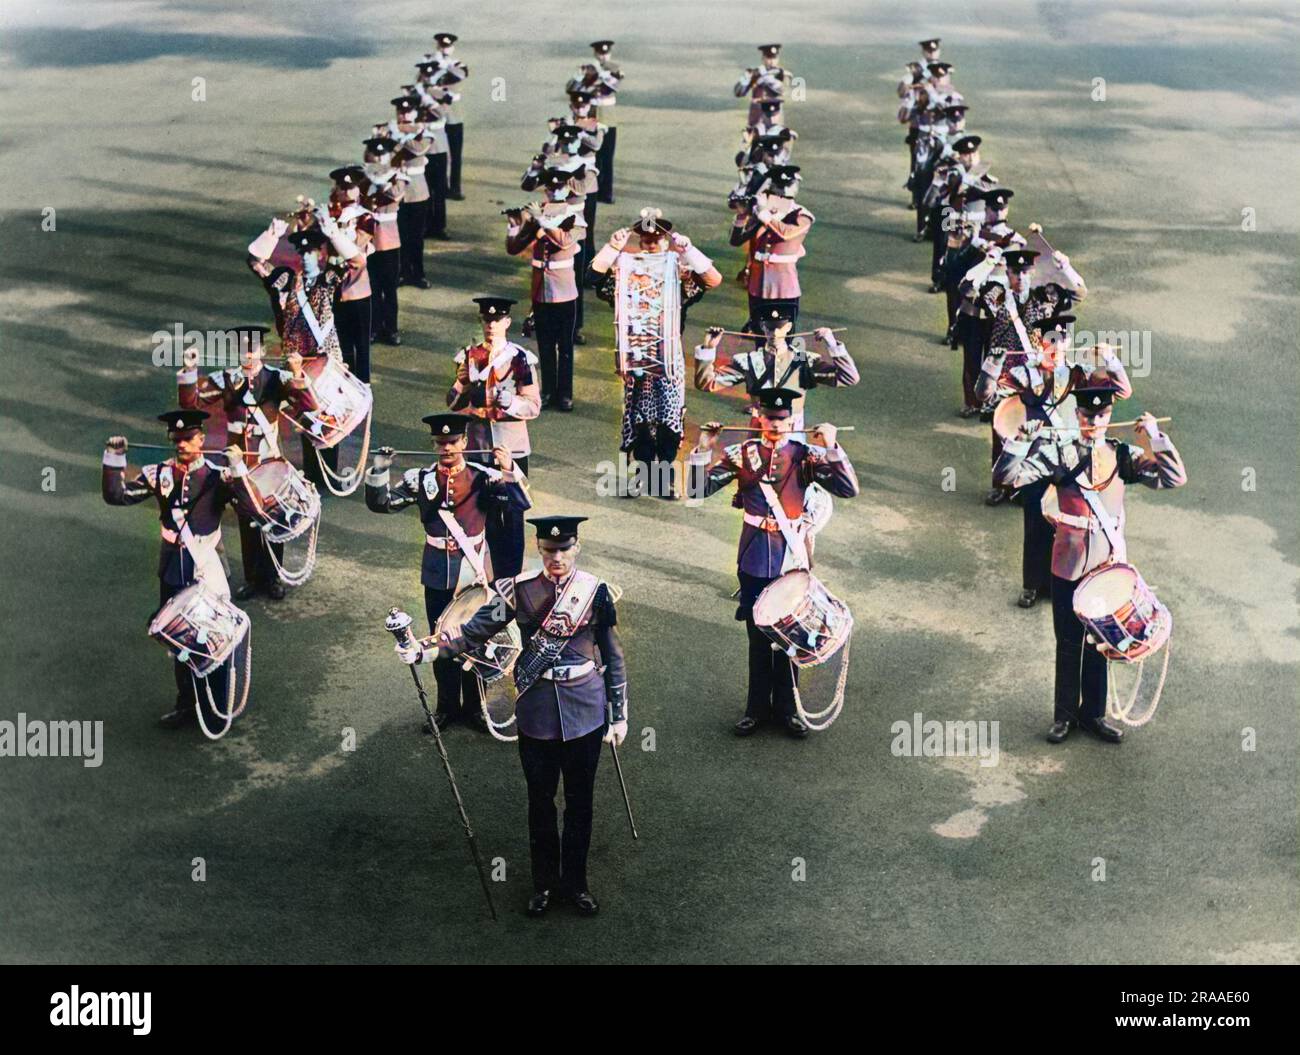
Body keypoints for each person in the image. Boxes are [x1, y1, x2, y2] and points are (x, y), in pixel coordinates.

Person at [397, 515, 627, 918]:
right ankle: (544, 886)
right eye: (550, 550)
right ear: (539, 550)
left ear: (577, 548)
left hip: (586, 712)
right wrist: (425, 650)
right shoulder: (518, 590)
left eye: (565, 549)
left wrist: (619, 714)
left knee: (580, 803)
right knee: (539, 803)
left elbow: (612, 656)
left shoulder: (595, 593)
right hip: (537, 713)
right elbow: (472, 632)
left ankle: (576, 884)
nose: (557, 557)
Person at [995, 381, 1187, 744]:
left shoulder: (1122, 455)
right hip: (1067, 565)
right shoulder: (1059, 452)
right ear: (1077, 414)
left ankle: (1094, 715)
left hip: (1104, 569)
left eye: (1101, 415)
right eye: (1087, 414)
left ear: (1109, 415)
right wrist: (1021, 439)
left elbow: (1174, 479)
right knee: (1068, 641)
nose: (1094, 421)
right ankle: (1064, 717)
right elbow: (1006, 477)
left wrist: (1156, 438)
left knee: (1100, 644)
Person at [687, 388, 860, 738]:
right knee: (757, 636)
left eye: (783, 420)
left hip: (790, 558)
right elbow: (697, 491)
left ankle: (788, 710)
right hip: (753, 557)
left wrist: (832, 447)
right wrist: (704, 447)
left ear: (793, 420)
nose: (776, 425)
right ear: (759, 417)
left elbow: (847, 488)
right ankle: (755, 709)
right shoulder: (741, 454)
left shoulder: (804, 455)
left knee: (790, 636)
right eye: (770, 418)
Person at [365, 413, 531, 731]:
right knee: (439, 639)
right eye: (441, 443)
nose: (447, 448)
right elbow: (382, 504)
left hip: (474, 573)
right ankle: (446, 707)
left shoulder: (484, 476)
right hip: (438, 571)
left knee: (474, 640)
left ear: (465, 442)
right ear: (434, 444)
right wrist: (379, 469)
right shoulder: (420, 478)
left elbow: (522, 503)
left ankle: (475, 708)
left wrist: (510, 468)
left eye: (453, 441)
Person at [101, 410, 252, 730]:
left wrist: (238, 467)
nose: (182, 445)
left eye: (189, 439)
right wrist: (114, 457)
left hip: (208, 569)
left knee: (215, 640)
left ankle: (218, 705)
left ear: (201, 439)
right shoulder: (160, 474)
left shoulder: (215, 476)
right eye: (177, 440)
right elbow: (117, 496)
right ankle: (187, 705)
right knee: (182, 643)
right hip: (173, 570)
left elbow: (251, 508)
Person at [978, 318, 1131, 608]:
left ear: (1068, 344)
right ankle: (1032, 585)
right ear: (1040, 343)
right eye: (1051, 341)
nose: (1057, 347)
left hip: (1073, 459)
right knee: (1035, 521)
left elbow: (1122, 392)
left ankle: (1063, 583)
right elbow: (985, 396)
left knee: (1070, 524)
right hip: (1038, 459)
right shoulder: (1025, 374)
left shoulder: (1080, 374)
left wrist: (1111, 360)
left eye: (1062, 341)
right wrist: (991, 366)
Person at [589, 213, 723, 497]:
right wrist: (612, 247)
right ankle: (644, 476)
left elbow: (712, 279)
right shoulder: (626, 275)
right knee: (640, 421)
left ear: (665, 242)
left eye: (656, 240)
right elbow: (591, 277)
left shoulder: (678, 275)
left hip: (668, 359)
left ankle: (664, 479)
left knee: (669, 422)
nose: (650, 245)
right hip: (636, 358)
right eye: (646, 240)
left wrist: (689, 251)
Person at [177, 327, 316, 600]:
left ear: (262, 351)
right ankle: (253, 578)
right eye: (243, 350)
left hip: (269, 463)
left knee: (273, 518)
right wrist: (189, 368)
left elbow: (309, 406)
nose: (248, 355)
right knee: (246, 520)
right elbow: (190, 404)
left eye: (253, 349)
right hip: (239, 467)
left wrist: (299, 372)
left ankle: (273, 576)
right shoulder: (226, 379)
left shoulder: (277, 378)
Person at [446, 296, 541, 578]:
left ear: (507, 322)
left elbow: (534, 406)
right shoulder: (469, 356)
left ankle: (510, 582)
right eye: (487, 320)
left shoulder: (520, 359)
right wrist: (462, 385)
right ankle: (480, 581)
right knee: (477, 516)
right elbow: (452, 403)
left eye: (497, 320)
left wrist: (511, 402)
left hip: (511, 449)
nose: (491, 325)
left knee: (512, 517)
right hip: (477, 448)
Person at [694, 306, 858, 429]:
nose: (775, 333)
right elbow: (707, 384)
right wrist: (709, 347)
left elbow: (848, 378)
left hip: (793, 431)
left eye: (780, 328)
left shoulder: (802, 360)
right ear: (763, 327)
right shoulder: (749, 361)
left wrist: (832, 343)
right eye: (770, 328)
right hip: (760, 429)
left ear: (788, 328)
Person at [505, 170, 583, 410]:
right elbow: (515, 248)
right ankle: (548, 391)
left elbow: (565, 242)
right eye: (549, 188)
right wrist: (514, 226)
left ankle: (566, 394)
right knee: (546, 345)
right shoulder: (536, 212)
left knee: (566, 347)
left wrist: (543, 221)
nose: (553, 191)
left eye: (557, 188)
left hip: (565, 289)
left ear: (567, 190)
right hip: (541, 289)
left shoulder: (574, 214)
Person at [729, 165, 813, 333]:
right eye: (777, 186)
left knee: (784, 335)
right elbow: (736, 240)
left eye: (784, 187)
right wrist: (742, 216)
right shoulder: (762, 212)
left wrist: (764, 214)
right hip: (758, 285)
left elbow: (786, 234)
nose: (779, 191)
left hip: (784, 286)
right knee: (759, 334)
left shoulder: (801, 215)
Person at [327, 166, 377, 381]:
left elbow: (356, 248)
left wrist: (336, 231)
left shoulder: (365, 217)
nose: (346, 192)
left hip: (356, 288)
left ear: (358, 190)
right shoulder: (328, 215)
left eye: (351, 187)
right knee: (341, 344)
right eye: (342, 187)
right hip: (333, 289)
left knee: (361, 346)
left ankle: (363, 386)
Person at [359, 136, 406, 346]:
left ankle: (392, 328)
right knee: (372, 287)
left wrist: (382, 181)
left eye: (382, 154)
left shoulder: (397, 175)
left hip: (388, 241)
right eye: (374, 153)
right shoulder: (363, 177)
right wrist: (369, 179)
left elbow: (397, 195)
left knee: (390, 288)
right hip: (368, 240)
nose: (378, 158)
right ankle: (374, 327)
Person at [735, 44, 788, 126]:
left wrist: (766, 78)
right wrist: (746, 79)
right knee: (749, 137)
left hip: (775, 118)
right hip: (757, 117)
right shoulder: (755, 73)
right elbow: (739, 93)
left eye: (774, 58)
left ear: (778, 59)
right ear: (763, 59)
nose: (772, 61)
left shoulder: (781, 74)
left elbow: (781, 90)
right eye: (769, 58)